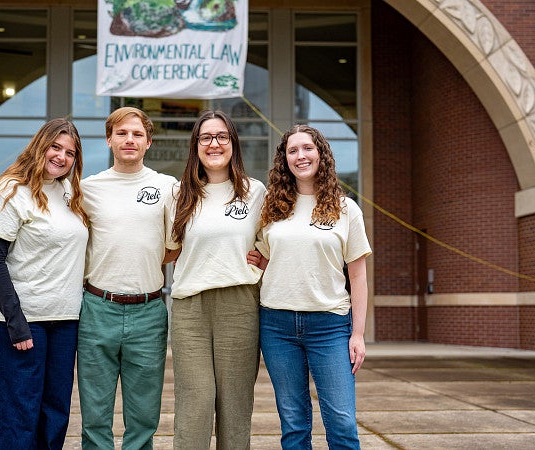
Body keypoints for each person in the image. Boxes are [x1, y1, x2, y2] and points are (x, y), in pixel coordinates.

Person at [254, 124, 371, 450]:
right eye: (293, 150)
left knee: (342, 422)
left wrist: (357, 333)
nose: (301, 156)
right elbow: (263, 258)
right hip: (277, 326)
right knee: (293, 423)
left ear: (321, 154)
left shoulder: (346, 209)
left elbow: (358, 276)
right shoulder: (271, 209)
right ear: (284, 159)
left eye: (307, 148)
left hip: (329, 325)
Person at [0, 118, 89, 449]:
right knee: (20, 414)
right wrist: (16, 323)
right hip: (22, 320)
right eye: (55, 147)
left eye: (70, 152)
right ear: (39, 145)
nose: (61, 157)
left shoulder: (69, 193)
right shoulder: (10, 190)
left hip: (64, 320)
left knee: (55, 412)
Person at [77, 106, 177, 450]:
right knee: (94, 416)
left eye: (137, 134)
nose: (129, 140)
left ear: (148, 142)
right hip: (96, 308)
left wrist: (143, 259)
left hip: (148, 311)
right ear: (109, 140)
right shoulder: (87, 189)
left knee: (144, 417)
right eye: (121, 133)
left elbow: (175, 246)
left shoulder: (167, 187)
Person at [165, 110, 265, 450]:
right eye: (205, 137)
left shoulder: (255, 192)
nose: (214, 144)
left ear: (233, 144)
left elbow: (275, 243)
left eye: (222, 136)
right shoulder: (179, 194)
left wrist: (266, 259)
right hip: (190, 308)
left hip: (239, 305)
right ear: (196, 146)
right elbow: (167, 249)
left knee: (235, 406)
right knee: (196, 401)